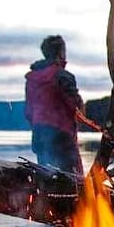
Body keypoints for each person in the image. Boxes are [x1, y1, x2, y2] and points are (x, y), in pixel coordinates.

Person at [25, 34, 84, 175]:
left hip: (39, 135)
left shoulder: (32, 79)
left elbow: (28, 112)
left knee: (46, 178)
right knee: (74, 179)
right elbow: (75, 107)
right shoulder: (62, 76)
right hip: (62, 136)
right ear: (61, 53)